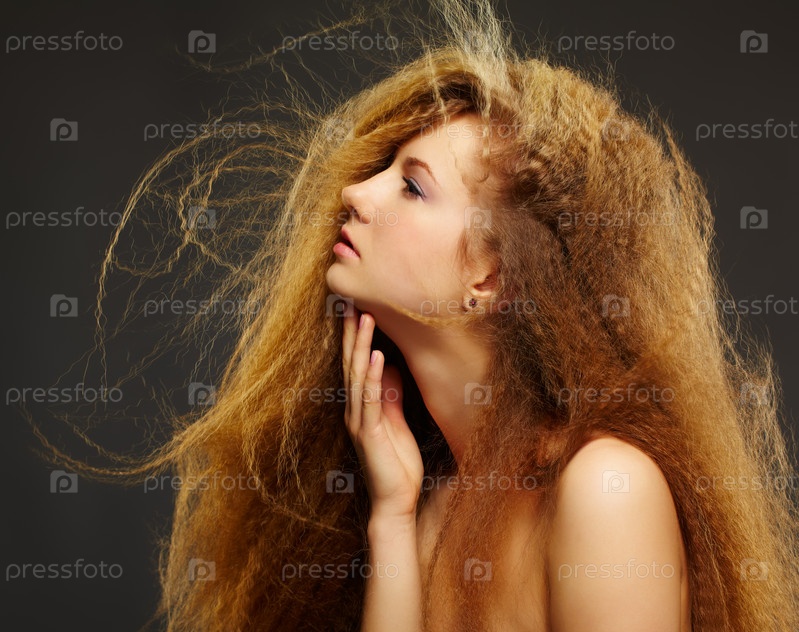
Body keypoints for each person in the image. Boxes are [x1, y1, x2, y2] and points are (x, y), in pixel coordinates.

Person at [42, 1, 799, 630]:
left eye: (411, 186)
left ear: (489, 276)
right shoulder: (429, 504)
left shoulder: (604, 490)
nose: (355, 192)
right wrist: (393, 515)